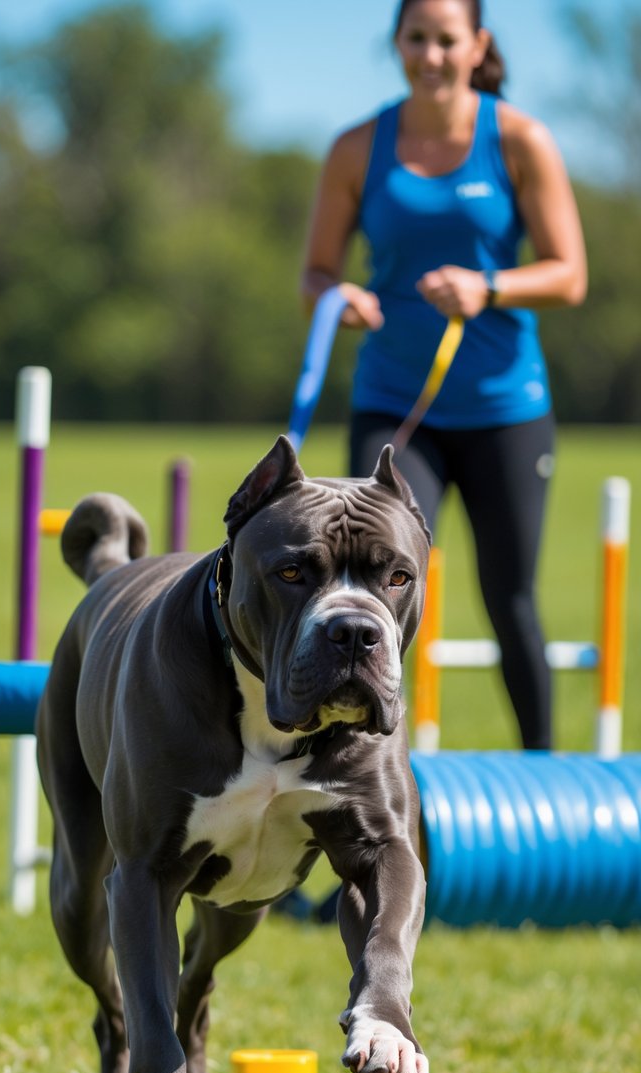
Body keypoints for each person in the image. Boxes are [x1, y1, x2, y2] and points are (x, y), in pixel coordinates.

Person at [301, 0, 587, 754]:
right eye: (415, 39)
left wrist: (488, 288)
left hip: (505, 406)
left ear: (477, 45)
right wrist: (341, 296)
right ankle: (353, 790)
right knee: (365, 590)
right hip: (396, 409)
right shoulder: (358, 147)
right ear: (396, 44)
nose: (430, 55)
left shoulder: (520, 138)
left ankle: (544, 774)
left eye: (446, 40)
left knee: (510, 598)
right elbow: (315, 274)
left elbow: (569, 275)